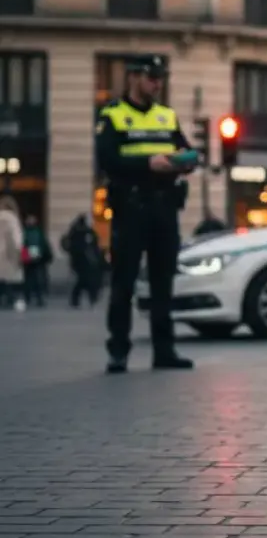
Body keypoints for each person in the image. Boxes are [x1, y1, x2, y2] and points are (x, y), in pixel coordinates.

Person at [95, 55, 196, 373]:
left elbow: (185, 150)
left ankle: (164, 351)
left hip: (164, 207)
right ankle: (118, 351)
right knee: (123, 281)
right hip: (131, 208)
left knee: (162, 282)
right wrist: (148, 164)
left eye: (160, 77)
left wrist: (185, 160)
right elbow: (108, 160)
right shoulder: (113, 115)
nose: (157, 83)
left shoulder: (166, 116)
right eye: (152, 77)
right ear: (133, 77)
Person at [61, 214, 104, 308]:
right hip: (82, 261)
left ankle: (84, 298)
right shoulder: (80, 232)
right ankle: (88, 297)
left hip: (84, 261)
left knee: (84, 281)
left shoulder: (79, 231)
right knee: (84, 281)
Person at [20, 214, 52, 307]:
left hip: (34, 258)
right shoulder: (34, 232)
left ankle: (34, 298)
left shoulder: (28, 232)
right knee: (31, 279)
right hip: (31, 258)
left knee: (33, 279)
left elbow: (44, 244)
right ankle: (32, 298)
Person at [0, 197, 25, 311]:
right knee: (10, 280)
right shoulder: (13, 220)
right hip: (9, 254)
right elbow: (16, 240)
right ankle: (11, 300)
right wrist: (19, 253)